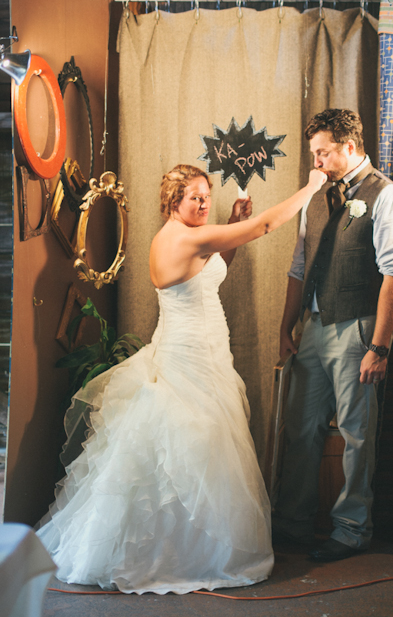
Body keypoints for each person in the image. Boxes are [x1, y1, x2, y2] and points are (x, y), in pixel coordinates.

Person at [37, 163, 326, 594]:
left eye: (207, 195)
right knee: (194, 451)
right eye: (195, 196)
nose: (204, 202)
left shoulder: (187, 240)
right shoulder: (183, 237)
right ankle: (177, 556)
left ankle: (189, 549)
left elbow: (210, 269)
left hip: (205, 355)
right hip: (189, 358)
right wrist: (312, 187)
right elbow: (265, 225)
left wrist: (229, 225)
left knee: (200, 452)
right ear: (174, 202)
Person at [272, 108, 393, 562]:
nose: (315, 162)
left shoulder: (387, 196)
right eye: (313, 153)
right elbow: (299, 266)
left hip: (357, 329)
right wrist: (285, 326)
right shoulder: (316, 196)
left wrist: (379, 347)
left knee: (356, 434)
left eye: (323, 152)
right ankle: (293, 521)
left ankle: (352, 530)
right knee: (300, 429)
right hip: (311, 329)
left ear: (349, 147)